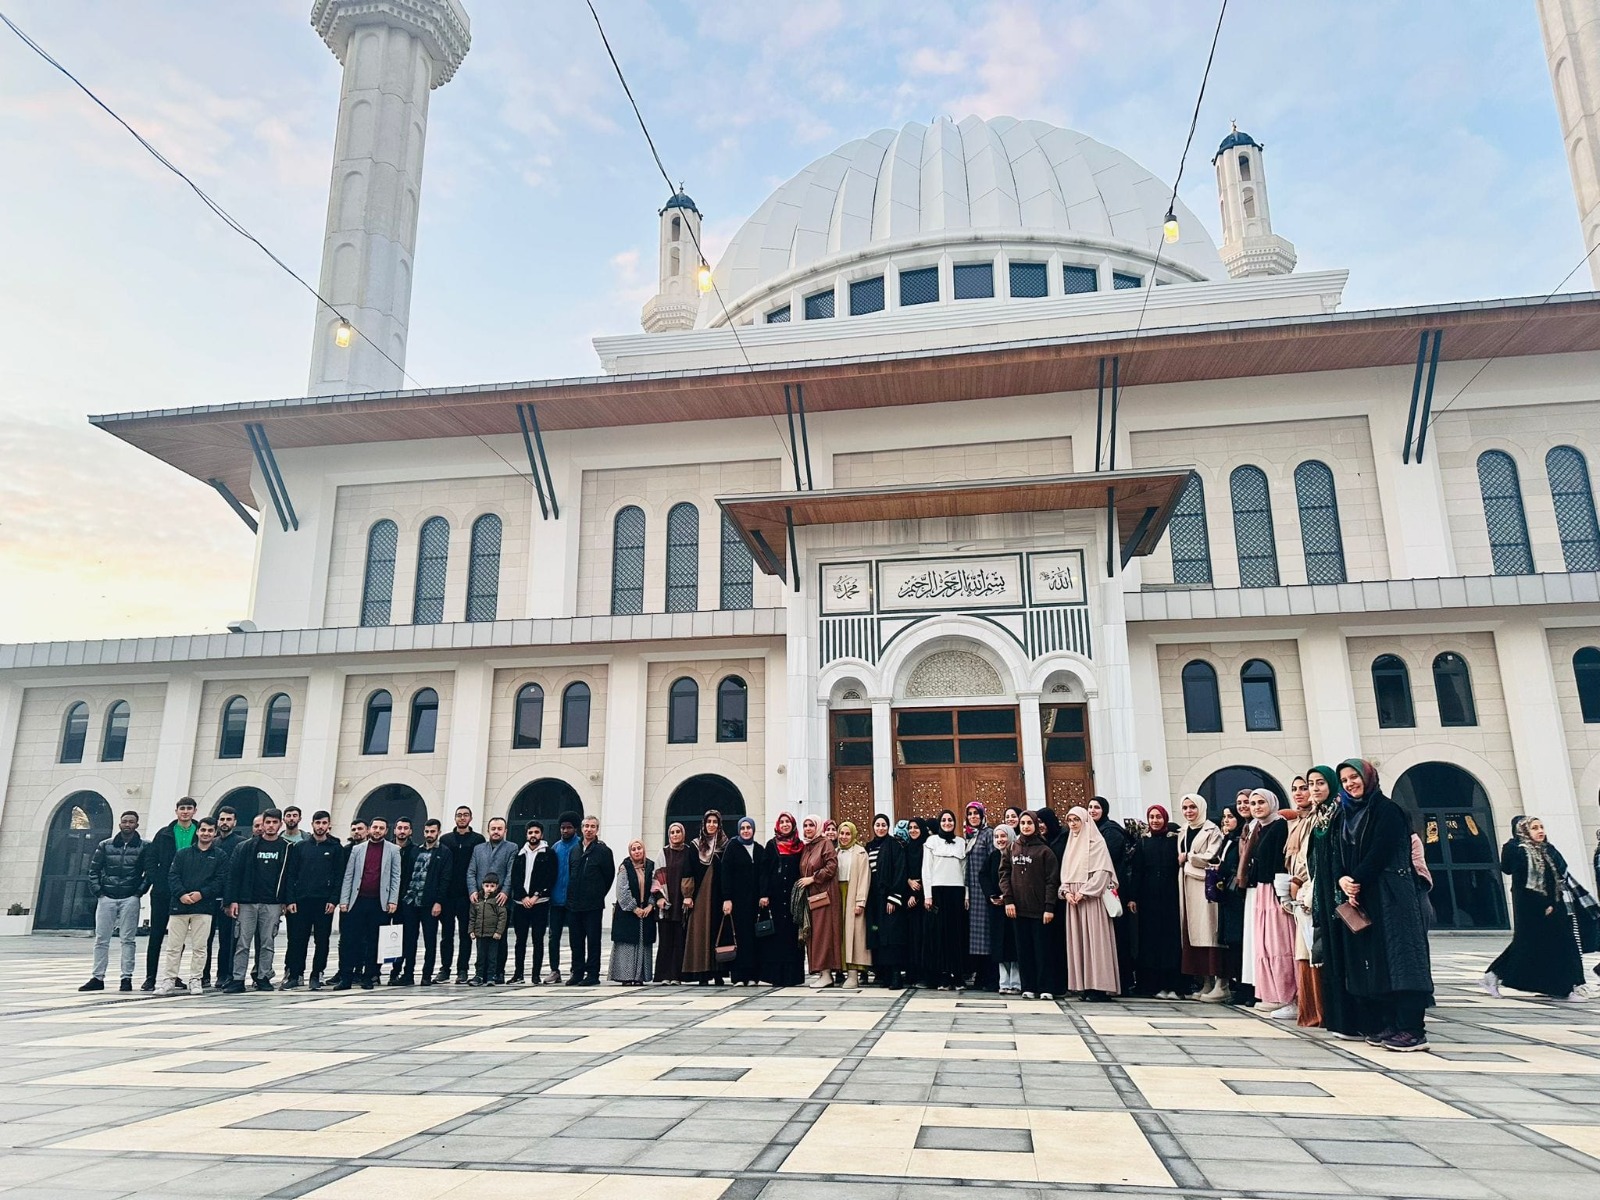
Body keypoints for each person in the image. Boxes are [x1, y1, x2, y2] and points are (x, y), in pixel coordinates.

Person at [1332, 759, 1435, 1052]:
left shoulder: (1387, 810)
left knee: (1403, 959)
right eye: (1345, 779)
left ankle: (1413, 1030)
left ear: (1368, 778)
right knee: (1379, 961)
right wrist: (1344, 880)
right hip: (1366, 893)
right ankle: (1391, 1022)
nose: (1350, 783)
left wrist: (1355, 879)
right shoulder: (1347, 814)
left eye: (1355, 777)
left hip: (1394, 895)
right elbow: (1342, 853)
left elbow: (1380, 851)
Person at [1484, 816, 1586, 1001]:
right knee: (1530, 945)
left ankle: (1564, 987)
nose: (1540, 831)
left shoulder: (1546, 851)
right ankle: (1495, 974)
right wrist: (1543, 904)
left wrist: (1552, 902)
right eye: (1534, 828)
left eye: (1542, 827)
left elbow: (1559, 872)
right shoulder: (1520, 851)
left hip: (1554, 903)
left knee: (1550, 945)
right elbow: (1523, 882)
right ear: (1523, 831)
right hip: (1533, 908)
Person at [1305, 766, 1359, 1037]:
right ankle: (1335, 1017)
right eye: (1311, 784)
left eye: (1320, 783)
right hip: (1324, 893)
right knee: (1330, 954)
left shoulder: (1340, 813)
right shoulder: (1320, 817)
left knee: (1344, 952)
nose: (1315, 788)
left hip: (1340, 892)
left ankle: (1351, 1018)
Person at [80, 810, 148, 992]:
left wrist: (138, 893)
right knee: (101, 939)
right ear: (120, 824)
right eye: (124, 821)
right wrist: (99, 892)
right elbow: (93, 870)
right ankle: (97, 977)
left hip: (130, 897)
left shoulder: (144, 846)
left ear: (136, 824)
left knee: (128, 939)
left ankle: (126, 978)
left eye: (131, 822)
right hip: (107, 897)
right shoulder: (105, 845)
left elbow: (149, 873)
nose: (127, 824)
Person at [224, 808, 290, 993]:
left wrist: (286, 900)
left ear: (280, 824)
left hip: (272, 903)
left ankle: (263, 977)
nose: (270, 826)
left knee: (267, 942)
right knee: (242, 942)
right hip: (247, 901)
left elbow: (289, 877)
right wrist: (232, 900)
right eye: (266, 823)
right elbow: (234, 874)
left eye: (274, 823)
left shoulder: (286, 848)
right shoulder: (246, 847)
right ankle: (238, 979)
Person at [1245, 788, 1297, 1018]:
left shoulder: (1280, 827)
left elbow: (1281, 861)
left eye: (1261, 802)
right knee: (1265, 944)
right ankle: (1271, 993)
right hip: (1262, 889)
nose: (1256, 807)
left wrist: (1282, 892)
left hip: (1276, 888)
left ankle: (1287, 995)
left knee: (1280, 944)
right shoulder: (1258, 828)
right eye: (1253, 803)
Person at [1060, 806, 1120, 999]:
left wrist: (1084, 892)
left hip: (1091, 900)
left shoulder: (1097, 843)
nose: (1073, 824)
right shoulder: (1071, 843)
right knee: (1079, 943)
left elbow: (1103, 874)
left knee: (1096, 942)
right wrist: (1066, 892)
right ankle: (1084, 986)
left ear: (1085, 821)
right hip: (1074, 901)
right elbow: (1066, 874)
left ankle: (1099, 986)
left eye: (1076, 820)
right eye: (1070, 820)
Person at [158, 816, 222, 995]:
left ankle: (196, 979)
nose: (206, 833)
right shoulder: (183, 853)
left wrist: (202, 893)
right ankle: (169, 979)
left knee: (200, 947)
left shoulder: (219, 855)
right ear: (198, 831)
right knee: (173, 946)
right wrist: (182, 894)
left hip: (204, 907)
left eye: (210, 830)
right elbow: (173, 875)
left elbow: (220, 880)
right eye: (203, 830)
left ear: (215, 833)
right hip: (180, 906)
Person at [335, 817, 400, 990]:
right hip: (357, 900)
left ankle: (368, 977)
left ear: (386, 831)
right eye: (375, 827)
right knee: (350, 940)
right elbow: (349, 875)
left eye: (381, 828)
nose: (377, 830)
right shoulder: (358, 849)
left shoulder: (394, 850)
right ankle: (346, 977)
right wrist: (344, 900)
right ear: (370, 829)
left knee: (374, 941)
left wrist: (392, 900)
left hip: (379, 902)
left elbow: (396, 877)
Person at [140, 797, 197, 991]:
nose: (185, 812)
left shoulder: (200, 832)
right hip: (163, 891)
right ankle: (150, 977)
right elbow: (151, 859)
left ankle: (173, 975)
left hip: (187, 892)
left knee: (179, 938)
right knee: (156, 935)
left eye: (189, 808)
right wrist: (157, 880)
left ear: (194, 811)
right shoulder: (164, 833)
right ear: (176, 811)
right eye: (182, 808)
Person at [1000, 810, 1058, 998]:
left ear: (1035, 825)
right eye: (1023, 823)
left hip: (1040, 910)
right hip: (1018, 909)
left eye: (1029, 823)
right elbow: (1004, 874)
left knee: (1043, 950)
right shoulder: (1012, 848)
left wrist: (1049, 906)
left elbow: (1051, 880)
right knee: (1024, 950)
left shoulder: (1045, 851)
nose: (1025, 826)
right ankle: (1028, 987)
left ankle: (1046, 987)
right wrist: (1008, 900)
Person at [283, 809, 343, 990]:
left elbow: (339, 876)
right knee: (297, 939)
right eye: (318, 823)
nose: (321, 826)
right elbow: (291, 875)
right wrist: (290, 899)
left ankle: (316, 974)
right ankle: (295, 974)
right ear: (312, 825)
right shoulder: (300, 847)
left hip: (324, 902)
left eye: (324, 823)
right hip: (301, 901)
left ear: (329, 825)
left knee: (322, 940)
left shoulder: (335, 848)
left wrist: (334, 900)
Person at [1130, 804, 1184, 998]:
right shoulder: (1143, 842)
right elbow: (1137, 871)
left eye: (1158, 817)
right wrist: (1133, 897)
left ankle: (1173, 985)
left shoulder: (1174, 840)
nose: (1155, 820)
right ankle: (1153, 985)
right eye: (1151, 817)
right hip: (1148, 896)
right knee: (1151, 940)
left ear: (1165, 818)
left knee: (1170, 939)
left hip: (1170, 895)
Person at [1282, 777, 1323, 1027]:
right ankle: (1307, 1007)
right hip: (1300, 892)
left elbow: (1313, 859)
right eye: (1295, 789)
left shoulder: (1318, 819)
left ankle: (1320, 1009)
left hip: (1310, 891)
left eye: (1304, 788)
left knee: (1314, 952)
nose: (1299, 793)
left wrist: (1299, 881)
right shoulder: (1300, 822)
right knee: (1304, 952)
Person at [1175, 795, 1225, 1001]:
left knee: (1210, 932)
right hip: (1187, 886)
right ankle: (1205, 981)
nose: (1188, 811)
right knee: (1194, 934)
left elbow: (1213, 856)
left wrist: (1189, 858)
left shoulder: (1212, 830)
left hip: (1205, 887)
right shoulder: (1183, 831)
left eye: (1192, 807)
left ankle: (1221, 983)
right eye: (1185, 808)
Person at [1088, 797, 1137, 994]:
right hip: (1096, 890)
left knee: (1117, 936)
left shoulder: (1111, 831)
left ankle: (1122, 982)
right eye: (1090, 807)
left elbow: (1105, 858)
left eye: (1096, 807)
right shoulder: (1092, 830)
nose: (1092, 811)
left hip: (1112, 889)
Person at [397, 818, 452, 986]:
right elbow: (406, 875)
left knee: (430, 940)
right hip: (411, 902)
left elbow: (445, 878)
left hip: (429, 904)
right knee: (409, 939)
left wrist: (438, 902)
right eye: (427, 831)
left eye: (433, 832)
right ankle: (408, 974)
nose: (429, 835)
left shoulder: (444, 852)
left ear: (438, 832)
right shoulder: (415, 851)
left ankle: (426, 975)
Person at [438, 806, 486, 985]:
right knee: (446, 934)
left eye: (465, 815)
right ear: (455, 818)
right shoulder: (446, 840)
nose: (462, 818)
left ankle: (462, 969)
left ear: (471, 818)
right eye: (459, 815)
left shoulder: (477, 840)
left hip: (467, 895)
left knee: (466, 934)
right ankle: (445, 969)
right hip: (448, 895)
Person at [922, 809, 969, 990]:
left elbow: (965, 871)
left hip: (956, 892)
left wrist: (966, 895)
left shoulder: (960, 842)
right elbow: (927, 869)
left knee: (956, 934)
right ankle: (942, 975)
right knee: (939, 935)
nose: (947, 823)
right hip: (938, 892)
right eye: (944, 820)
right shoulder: (931, 841)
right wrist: (928, 895)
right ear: (940, 822)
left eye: (950, 820)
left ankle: (957, 974)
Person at [565, 815, 614, 986]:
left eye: (593, 826)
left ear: (597, 829)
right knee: (575, 941)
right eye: (586, 826)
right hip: (574, 904)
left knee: (593, 941)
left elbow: (609, 876)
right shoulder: (575, 849)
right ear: (581, 828)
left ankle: (592, 974)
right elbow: (571, 873)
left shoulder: (603, 851)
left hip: (593, 905)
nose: (589, 829)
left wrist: (597, 893)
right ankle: (577, 972)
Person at [682, 810, 729, 984]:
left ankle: (718, 973)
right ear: (704, 823)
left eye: (715, 822)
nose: (711, 825)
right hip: (701, 895)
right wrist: (687, 895)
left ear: (719, 824)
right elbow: (688, 870)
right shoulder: (695, 845)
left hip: (719, 895)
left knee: (717, 932)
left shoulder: (726, 844)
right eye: (708, 821)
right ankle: (702, 974)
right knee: (701, 932)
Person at [202, 805, 246, 989]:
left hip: (229, 899)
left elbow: (239, 873)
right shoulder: (212, 843)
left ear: (235, 822)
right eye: (222, 819)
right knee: (205, 938)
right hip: (209, 897)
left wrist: (232, 898)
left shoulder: (242, 843)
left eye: (229, 819)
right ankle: (204, 975)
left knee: (228, 940)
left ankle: (225, 974)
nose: (225, 823)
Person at [468, 817, 516, 985]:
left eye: (499, 828)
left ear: (505, 831)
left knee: (499, 939)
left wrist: (505, 892)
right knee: (481, 941)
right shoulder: (478, 849)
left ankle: (498, 972)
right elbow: (471, 871)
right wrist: (473, 891)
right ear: (488, 830)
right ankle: (480, 973)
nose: (496, 831)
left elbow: (511, 872)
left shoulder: (511, 848)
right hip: (481, 901)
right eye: (493, 828)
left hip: (501, 900)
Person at [761, 813, 807, 986]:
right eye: (782, 822)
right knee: (777, 937)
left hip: (794, 898)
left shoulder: (800, 846)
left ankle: (793, 977)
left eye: (788, 822)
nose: (785, 825)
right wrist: (764, 894)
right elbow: (764, 871)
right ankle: (776, 976)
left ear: (793, 825)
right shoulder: (771, 845)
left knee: (793, 937)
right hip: (776, 897)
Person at [864, 814, 908, 988]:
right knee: (878, 933)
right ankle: (883, 974)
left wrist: (894, 897)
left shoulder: (894, 845)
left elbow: (900, 870)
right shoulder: (869, 847)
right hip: (874, 899)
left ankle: (896, 974)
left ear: (888, 827)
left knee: (892, 936)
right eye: (877, 825)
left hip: (889, 898)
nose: (880, 828)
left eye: (884, 825)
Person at [507, 820, 554, 984]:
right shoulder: (520, 854)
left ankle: (535, 974)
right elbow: (515, 878)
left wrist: (535, 896)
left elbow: (550, 877)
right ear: (526, 834)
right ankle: (518, 973)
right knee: (520, 940)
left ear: (541, 834)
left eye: (536, 832)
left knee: (537, 940)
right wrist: (523, 897)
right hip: (521, 903)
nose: (533, 835)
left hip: (540, 903)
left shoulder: (549, 853)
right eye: (530, 832)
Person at [721, 816, 766, 985]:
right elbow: (725, 874)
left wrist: (764, 894)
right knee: (739, 936)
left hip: (756, 901)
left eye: (748, 828)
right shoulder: (732, 847)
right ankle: (739, 976)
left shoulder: (759, 849)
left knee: (754, 938)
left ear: (753, 829)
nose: (746, 831)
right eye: (743, 828)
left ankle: (754, 975)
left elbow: (764, 874)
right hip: (738, 901)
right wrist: (727, 898)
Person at [798, 815, 841, 987]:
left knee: (824, 934)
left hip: (824, 897)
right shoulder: (808, 847)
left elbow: (831, 866)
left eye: (811, 825)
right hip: (812, 898)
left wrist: (813, 879)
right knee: (814, 934)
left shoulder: (825, 844)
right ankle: (822, 972)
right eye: (805, 825)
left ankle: (827, 974)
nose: (808, 828)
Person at [1214, 804, 1248, 1003]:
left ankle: (1244, 987)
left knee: (1240, 940)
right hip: (1227, 895)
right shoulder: (1227, 839)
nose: (1227, 820)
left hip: (1237, 896)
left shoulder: (1239, 840)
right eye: (1224, 816)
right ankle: (1237, 986)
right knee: (1232, 943)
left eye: (1230, 816)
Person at [609, 840, 656, 984]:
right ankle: (626, 976)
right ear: (630, 852)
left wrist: (650, 906)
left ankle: (640, 977)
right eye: (634, 849)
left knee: (643, 943)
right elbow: (622, 890)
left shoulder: (650, 866)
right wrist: (634, 908)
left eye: (639, 848)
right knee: (627, 945)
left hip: (646, 911)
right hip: (628, 912)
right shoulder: (625, 867)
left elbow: (656, 887)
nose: (637, 851)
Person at [962, 802, 996, 991]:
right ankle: (979, 976)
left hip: (984, 892)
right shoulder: (969, 836)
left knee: (985, 934)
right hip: (972, 893)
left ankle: (989, 977)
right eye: (970, 814)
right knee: (975, 936)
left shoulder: (988, 834)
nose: (973, 817)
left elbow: (993, 862)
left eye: (976, 813)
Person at [836, 820, 872, 988]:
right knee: (841, 934)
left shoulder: (860, 853)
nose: (844, 837)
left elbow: (864, 878)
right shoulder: (835, 852)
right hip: (838, 894)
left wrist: (860, 901)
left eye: (847, 834)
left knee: (855, 935)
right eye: (841, 833)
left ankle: (853, 974)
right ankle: (841, 971)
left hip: (852, 894)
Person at [546, 812, 580, 983]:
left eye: (568, 828)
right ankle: (554, 969)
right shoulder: (555, 848)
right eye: (562, 828)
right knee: (554, 936)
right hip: (556, 899)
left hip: (574, 900)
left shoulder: (580, 846)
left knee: (576, 936)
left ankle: (576, 969)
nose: (565, 831)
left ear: (575, 828)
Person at [984, 823, 1019, 994]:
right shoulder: (992, 857)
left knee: (1013, 945)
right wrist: (992, 895)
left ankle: (1017, 982)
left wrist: (1008, 897)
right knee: (1000, 946)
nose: (1000, 840)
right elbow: (984, 877)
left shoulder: (1017, 855)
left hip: (1013, 907)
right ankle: (1004, 982)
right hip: (997, 908)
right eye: (997, 837)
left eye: (1003, 836)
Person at [655, 822, 691, 982]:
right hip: (666, 903)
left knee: (680, 940)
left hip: (682, 903)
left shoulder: (689, 852)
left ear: (683, 834)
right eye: (672, 832)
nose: (675, 835)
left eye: (678, 832)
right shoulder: (663, 853)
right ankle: (664, 976)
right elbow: (656, 877)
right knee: (665, 941)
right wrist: (660, 898)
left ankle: (677, 975)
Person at [469, 874, 508, 985]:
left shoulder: (497, 901)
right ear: (482, 886)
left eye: (492, 886)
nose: (489, 888)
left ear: (496, 887)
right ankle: (479, 975)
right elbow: (472, 916)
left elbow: (502, 917)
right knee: (480, 956)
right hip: (480, 934)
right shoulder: (477, 900)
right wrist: (471, 930)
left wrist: (499, 932)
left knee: (492, 956)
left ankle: (491, 976)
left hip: (493, 934)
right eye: (487, 885)